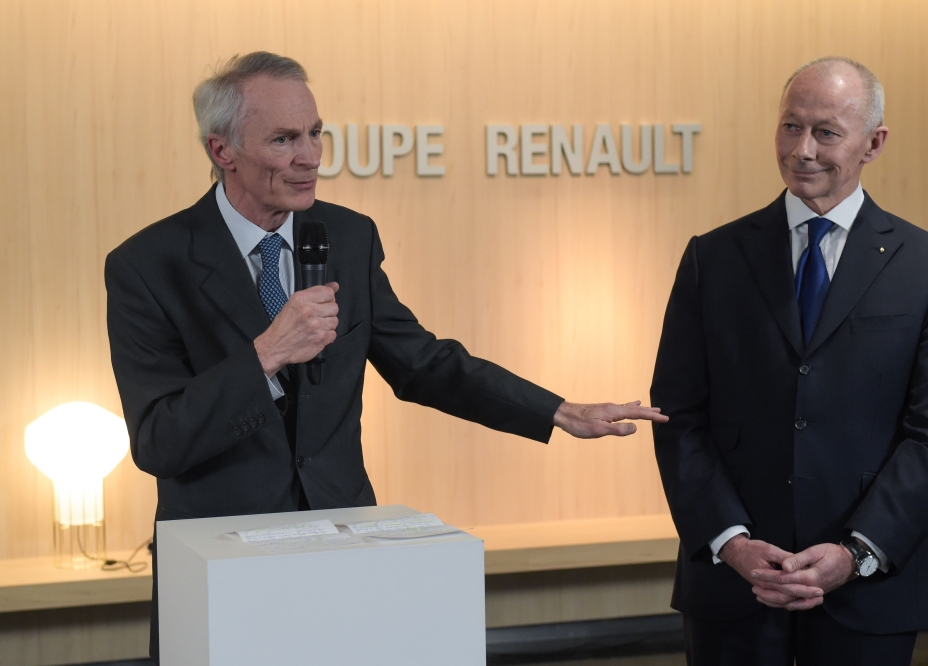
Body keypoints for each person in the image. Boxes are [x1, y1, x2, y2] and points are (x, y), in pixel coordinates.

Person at [105, 52, 667, 662]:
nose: (311, 156)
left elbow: (423, 362)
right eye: (284, 139)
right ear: (223, 151)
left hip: (342, 555)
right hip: (220, 569)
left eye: (316, 133)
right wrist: (265, 355)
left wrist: (556, 409)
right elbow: (157, 439)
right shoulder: (147, 264)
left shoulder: (348, 236)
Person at [650, 56, 928, 665]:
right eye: (790, 127)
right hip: (736, 586)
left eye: (826, 132)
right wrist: (732, 542)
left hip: (872, 586)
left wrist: (855, 553)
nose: (803, 150)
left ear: (873, 143)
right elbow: (679, 419)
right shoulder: (711, 260)